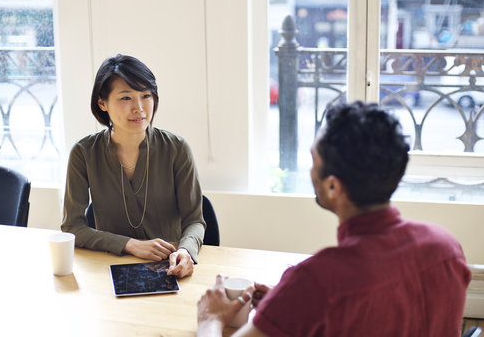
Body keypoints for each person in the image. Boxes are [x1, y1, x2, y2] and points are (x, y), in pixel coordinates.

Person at [197, 102, 471, 336]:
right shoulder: (445, 247)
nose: (309, 170)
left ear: (332, 187)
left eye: (313, 160)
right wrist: (289, 307)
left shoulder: (315, 281)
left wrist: (211, 318)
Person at [62, 54, 205, 278]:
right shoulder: (84, 153)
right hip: (109, 268)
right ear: (102, 103)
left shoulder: (176, 148)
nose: (139, 108)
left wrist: (186, 251)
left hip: (169, 268)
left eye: (146, 96)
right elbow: (72, 227)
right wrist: (130, 244)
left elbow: (195, 220)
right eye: (126, 98)